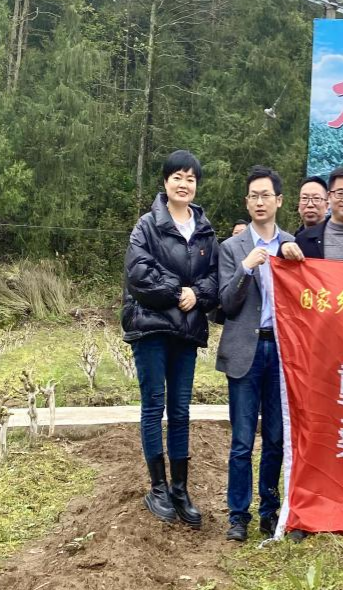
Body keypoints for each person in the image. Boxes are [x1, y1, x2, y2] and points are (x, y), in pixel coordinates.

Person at [122, 150, 219, 529]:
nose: (184, 184)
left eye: (191, 178)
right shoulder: (147, 225)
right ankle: (158, 488)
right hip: (151, 327)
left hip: (187, 330)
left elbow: (215, 278)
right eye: (177, 176)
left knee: (180, 410)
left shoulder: (205, 231)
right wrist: (179, 290)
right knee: (153, 406)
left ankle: (180, 488)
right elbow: (138, 274)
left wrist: (198, 293)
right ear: (165, 182)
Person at [217, 167, 296, 543]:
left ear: (278, 200)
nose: (260, 202)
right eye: (253, 196)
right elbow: (226, 304)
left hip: (282, 352)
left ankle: (269, 510)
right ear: (246, 202)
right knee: (242, 440)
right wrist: (245, 269)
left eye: (266, 195)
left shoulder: (291, 244)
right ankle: (238, 515)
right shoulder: (232, 248)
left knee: (277, 438)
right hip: (245, 349)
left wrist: (297, 263)